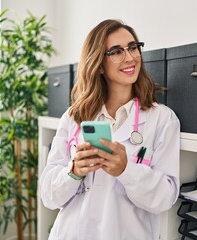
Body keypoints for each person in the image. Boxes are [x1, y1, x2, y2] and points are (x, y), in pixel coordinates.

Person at [40, 19, 180, 240]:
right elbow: (48, 196)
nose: (129, 57)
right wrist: (73, 171)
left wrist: (127, 170)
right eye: (116, 51)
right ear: (99, 64)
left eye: (133, 47)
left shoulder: (161, 119)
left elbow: (166, 197)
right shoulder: (73, 117)